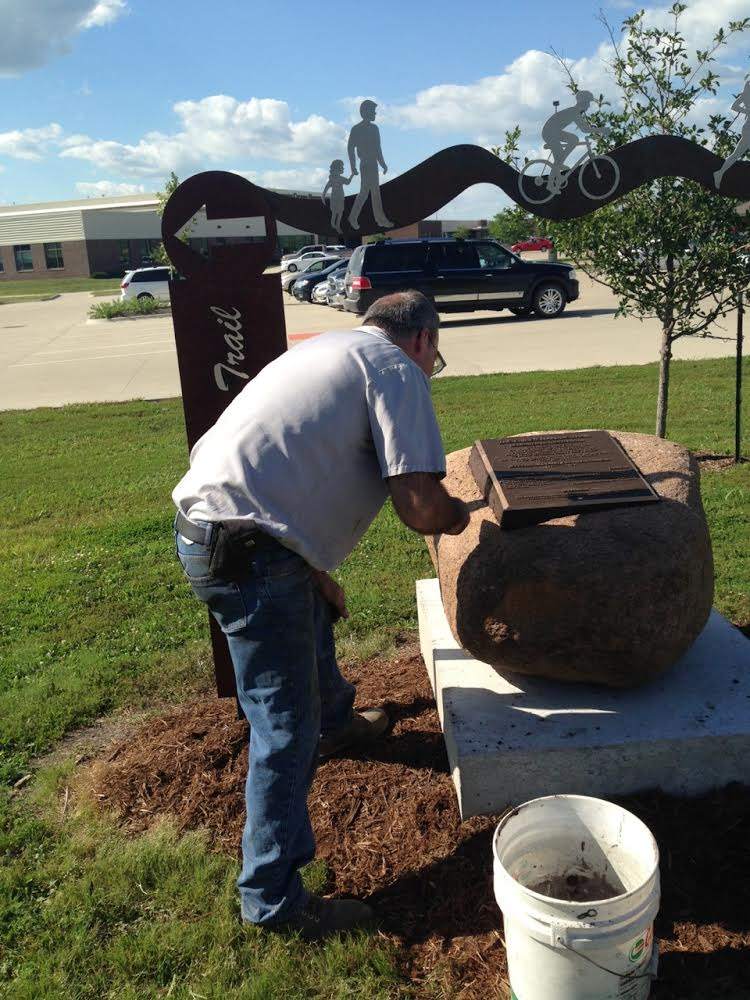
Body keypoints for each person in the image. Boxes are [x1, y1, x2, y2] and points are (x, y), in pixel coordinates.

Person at [172, 290, 469, 940]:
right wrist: (463, 515)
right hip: (250, 551)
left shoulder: (327, 350)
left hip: (215, 530)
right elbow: (419, 503)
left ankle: (335, 721)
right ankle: (273, 901)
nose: (431, 364)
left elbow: (268, 467)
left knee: (314, 611)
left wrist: (311, 571)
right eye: (434, 354)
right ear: (421, 338)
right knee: (281, 733)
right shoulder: (395, 368)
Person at [541, 91, 608, 193]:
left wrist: (597, 130)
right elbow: (585, 129)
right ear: (583, 103)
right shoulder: (574, 112)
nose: (589, 106)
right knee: (570, 144)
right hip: (550, 132)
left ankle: (560, 163)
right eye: (588, 103)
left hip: (553, 131)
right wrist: (602, 130)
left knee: (572, 141)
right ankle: (550, 184)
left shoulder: (575, 111)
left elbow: (585, 128)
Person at [347, 99, 393, 230]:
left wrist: (383, 164)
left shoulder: (375, 128)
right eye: (373, 111)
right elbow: (350, 148)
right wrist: (352, 166)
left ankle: (379, 219)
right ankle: (355, 217)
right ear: (365, 112)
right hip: (365, 164)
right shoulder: (356, 129)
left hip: (373, 164)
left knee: (374, 192)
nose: (375, 114)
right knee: (365, 192)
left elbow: (378, 148)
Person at [714, 80, 750, 189]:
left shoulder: (745, 95)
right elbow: (734, 106)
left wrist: (747, 110)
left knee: (736, 154)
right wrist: (747, 111)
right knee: (736, 154)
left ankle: (720, 173)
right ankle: (720, 173)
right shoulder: (746, 95)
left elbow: (735, 106)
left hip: (747, 127)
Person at [321, 159, 355, 233]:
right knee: (334, 213)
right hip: (334, 198)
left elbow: (348, 182)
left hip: (340, 198)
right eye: (340, 167)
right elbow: (326, 189)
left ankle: (338, 226)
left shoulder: (341, 178)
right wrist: (323, 197)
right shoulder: (332, 179)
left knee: (340, 213)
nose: (341, 169)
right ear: (335, 169)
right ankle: (333, 225)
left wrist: (352, 175)